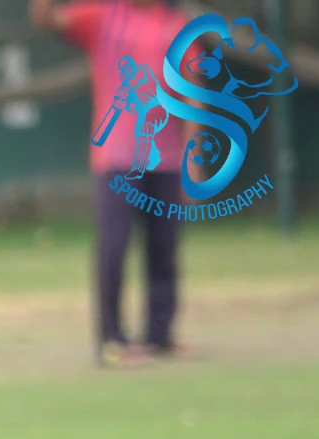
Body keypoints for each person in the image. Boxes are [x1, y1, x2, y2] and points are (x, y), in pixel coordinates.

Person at [29, 0, 196, 366]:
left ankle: (160, 334)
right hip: (118, 159)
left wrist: (194, 160)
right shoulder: (104, 16)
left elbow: (194, 94)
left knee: (164, 248)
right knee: (114, 247)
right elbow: (47, 20)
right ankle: (112, 340)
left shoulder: (178, 27)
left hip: (166, 159)